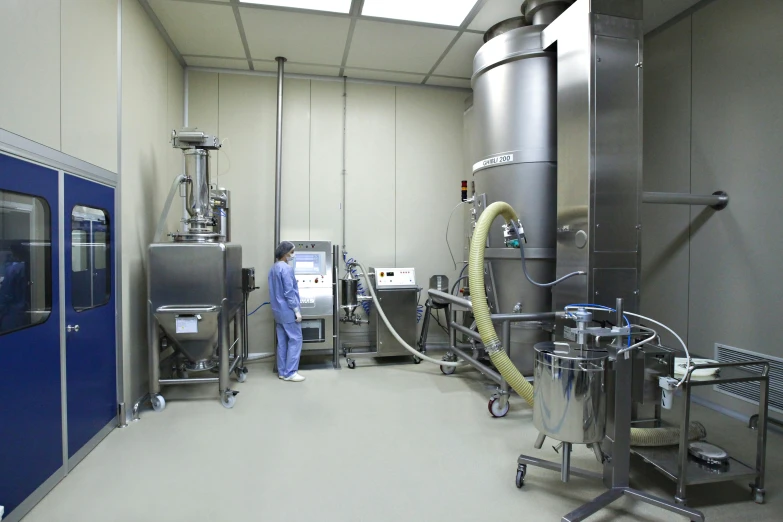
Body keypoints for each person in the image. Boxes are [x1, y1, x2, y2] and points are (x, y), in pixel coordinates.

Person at [268, 241, 305, 382]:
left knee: (282, 341)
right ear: (285, 253)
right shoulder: (287, 269)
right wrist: (296, 311)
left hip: (278, 311)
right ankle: (291, 372)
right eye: (292, 252)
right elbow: (289, 293)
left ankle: (282, 371)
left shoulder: (273, 268)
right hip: (288, 311)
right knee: (295, 340)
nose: (293, 255)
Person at [0, 242, 28, 333]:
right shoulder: (31, 267)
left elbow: (6, 294)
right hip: (24, 311)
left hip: (12, 313)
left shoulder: (13, 270)